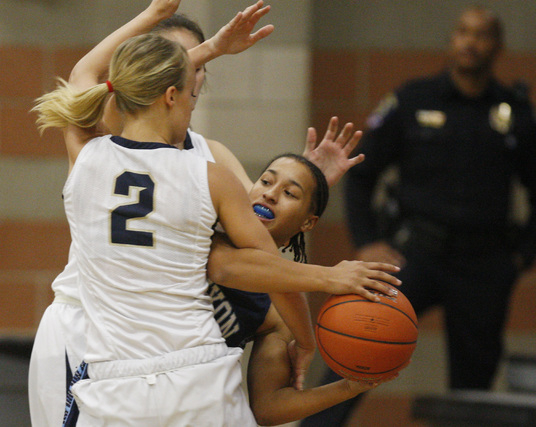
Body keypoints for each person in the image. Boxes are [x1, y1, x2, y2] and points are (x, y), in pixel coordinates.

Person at [28, 1, 401, 425]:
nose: (195, 98)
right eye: (189, 85)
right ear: (172, 93)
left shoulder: (88, 158)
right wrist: (316, 315)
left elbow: (83, 74)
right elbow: (263, 265)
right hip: (190, 368)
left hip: (111, 377)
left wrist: (152, 12)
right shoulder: (209, 176)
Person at [302, 6, 536, 426]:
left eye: (482, 35)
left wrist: (521, 258)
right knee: (359, 343)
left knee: (473, 389)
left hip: (484, 265)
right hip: (415, 253)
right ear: (452, 40)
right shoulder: (413, 99)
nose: (470, 42)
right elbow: (362, 174)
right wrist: (368, 241)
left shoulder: (514, 112)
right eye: (463, 32)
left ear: (497, 46)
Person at [208, 153, 405, 426]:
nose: (270, 194)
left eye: (289, 193)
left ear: (308, 223)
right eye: (265, 181)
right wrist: (331, 276)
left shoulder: (282, 312)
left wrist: (349, 387)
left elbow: (267, 407)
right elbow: (223, 266)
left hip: (197, 399)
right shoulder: (206, 224)